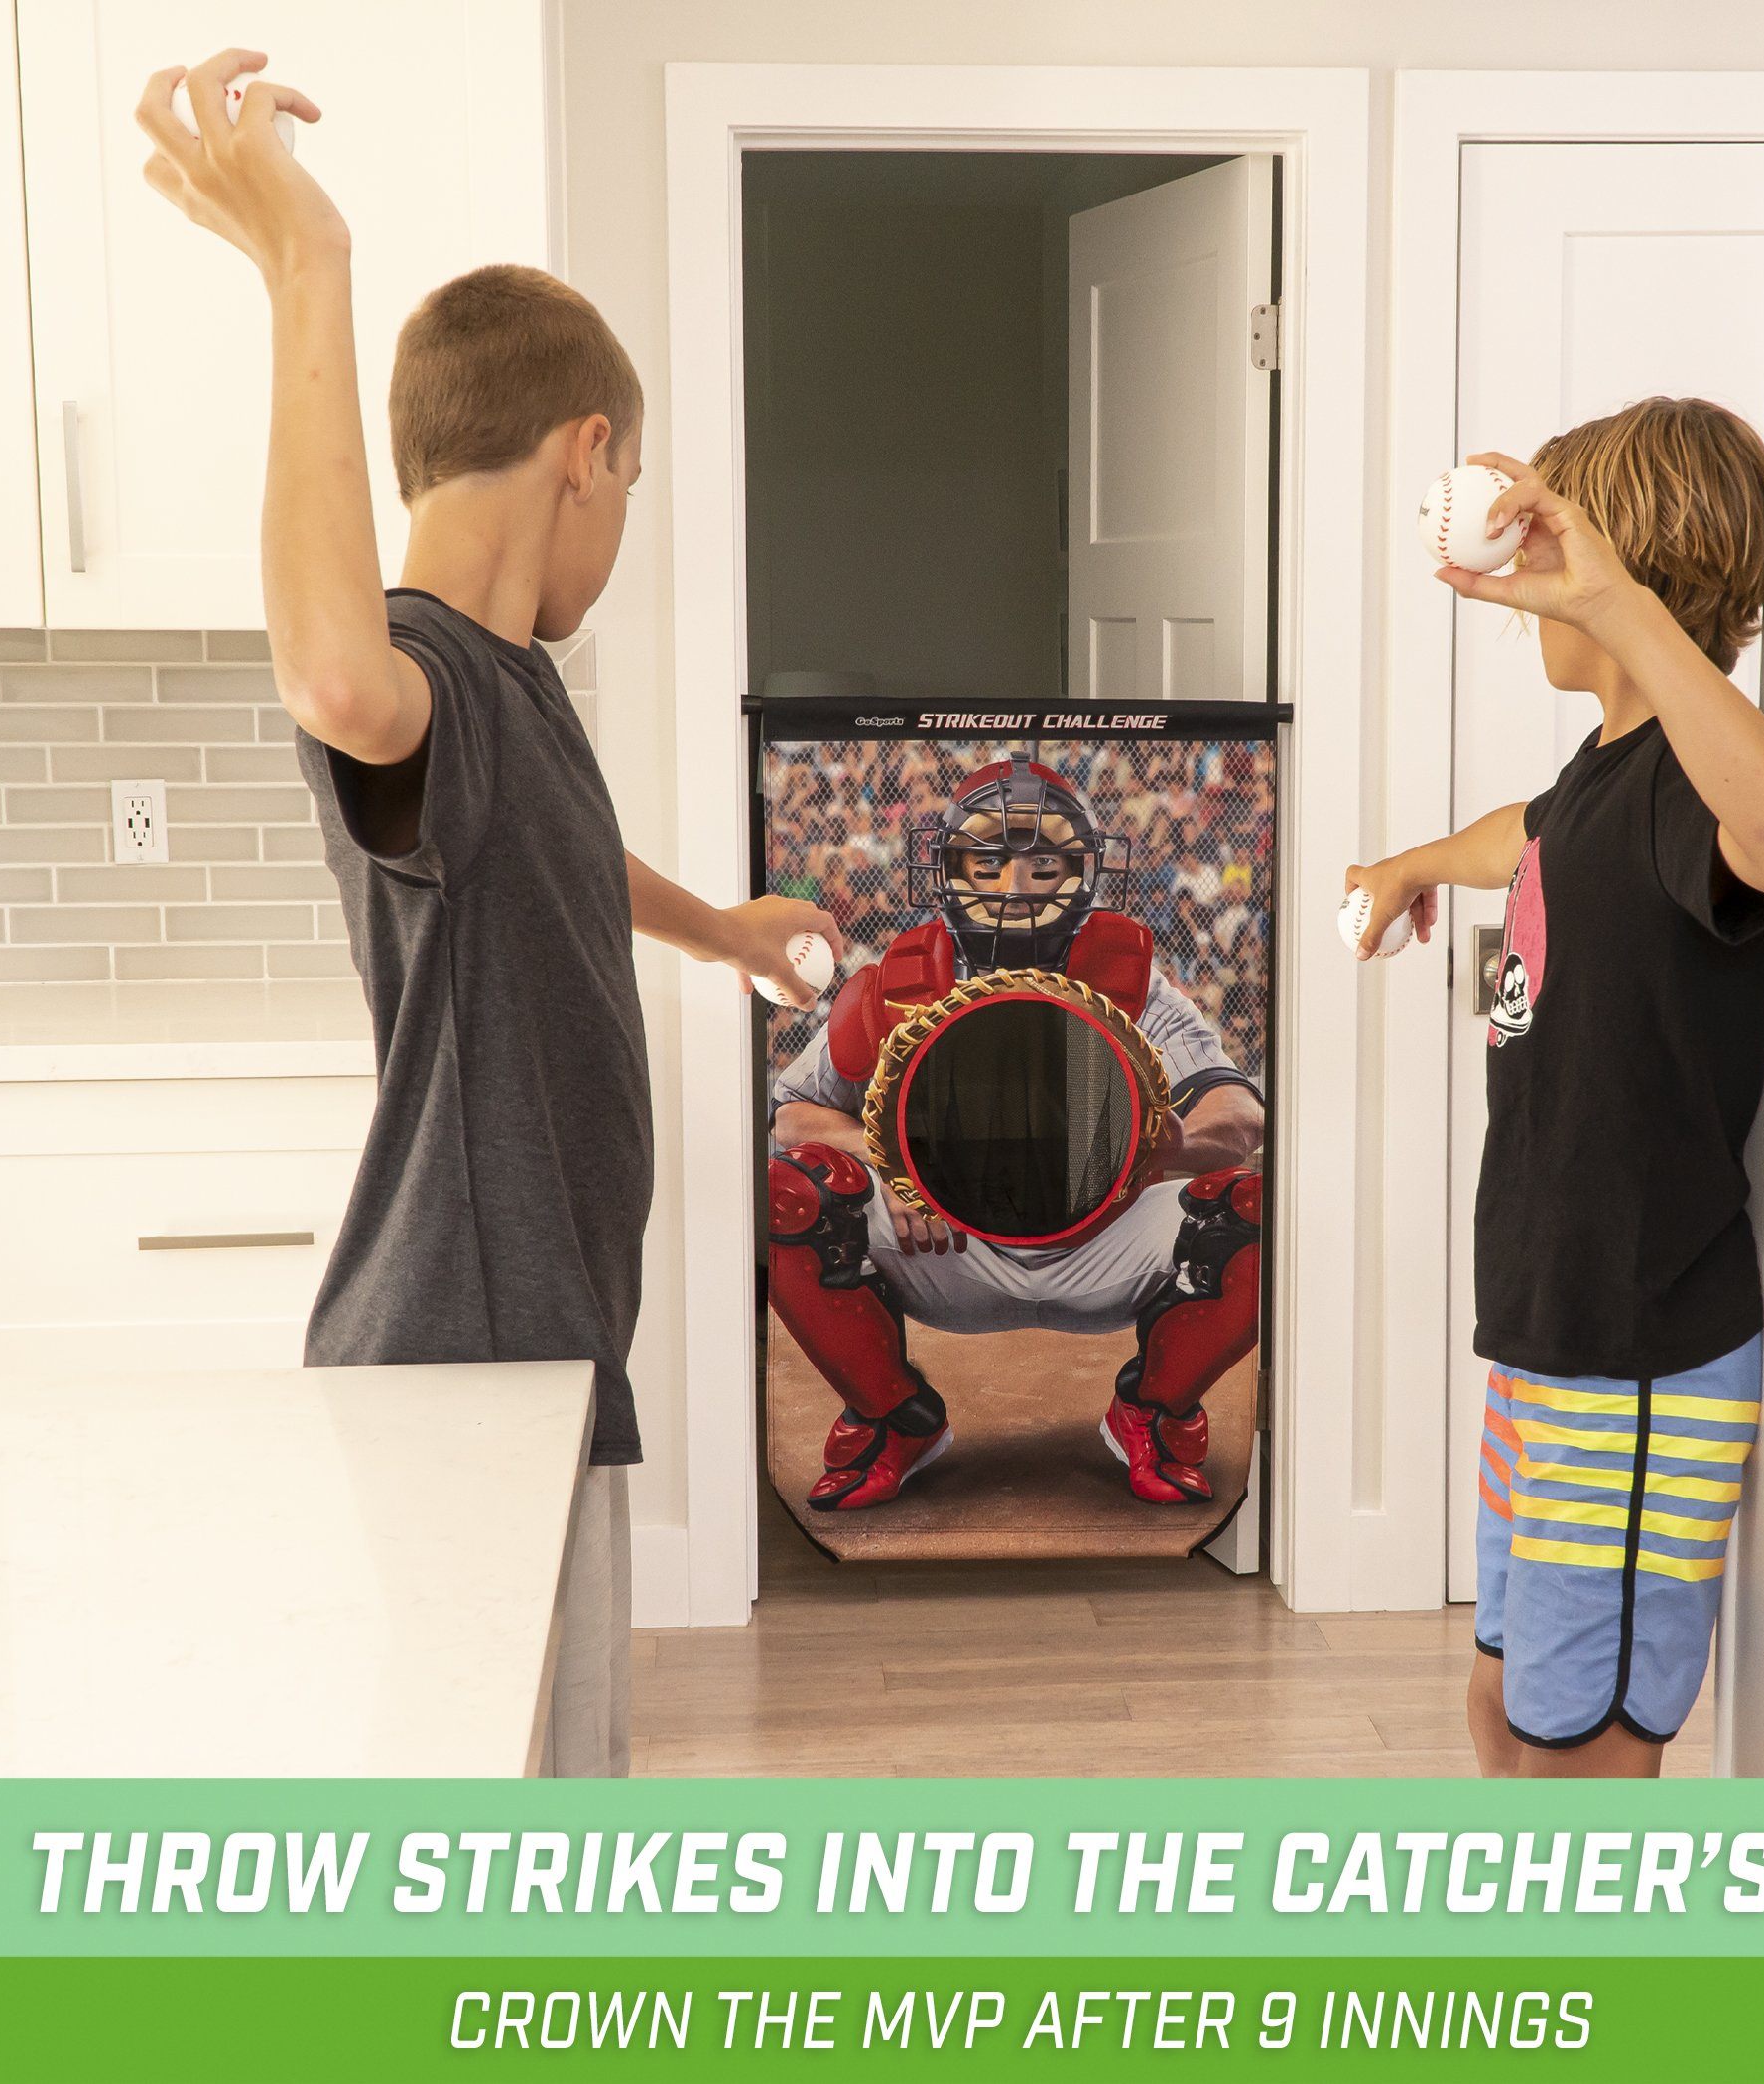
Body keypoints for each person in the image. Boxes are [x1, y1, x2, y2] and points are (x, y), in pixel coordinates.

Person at [136, 51, 839, 1776]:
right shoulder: (424, 664)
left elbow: (549, 863)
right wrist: (310, 271)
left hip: (533, 1336)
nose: (623, 530)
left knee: (556, 1814)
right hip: (467, 1349)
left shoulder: (513, 689)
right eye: (634, 492)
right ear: (586, 453)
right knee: (511, 1847)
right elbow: (331, 677)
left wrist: (719, 934)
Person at [1345, 399, 1764, 1778]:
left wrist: (1622, 610)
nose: (1530, 599)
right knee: (1502, 1709)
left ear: (1627, 568)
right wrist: (1406, 866)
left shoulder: (1702, 770)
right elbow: (1528, 836)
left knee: (1587, 1758)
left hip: (1641, 1343)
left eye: (1558, 558)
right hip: (1552, 1323)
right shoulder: (1610, 774)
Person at [768, 760, 1264, 1510]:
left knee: (1259, 1208)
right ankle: (891, 1418)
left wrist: (1170, 1146)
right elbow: (794, 1115)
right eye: (990, 862)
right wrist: (900, 1169)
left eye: (1044, 863)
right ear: (951, 866)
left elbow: (1240, 1117)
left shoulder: (1137, 977)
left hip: (1100, 1236)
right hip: (945, 1245)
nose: (1015, 884)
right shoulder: (893, 977)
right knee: (786, 1196)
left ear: (1082, 870)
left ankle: (1154, 1411)